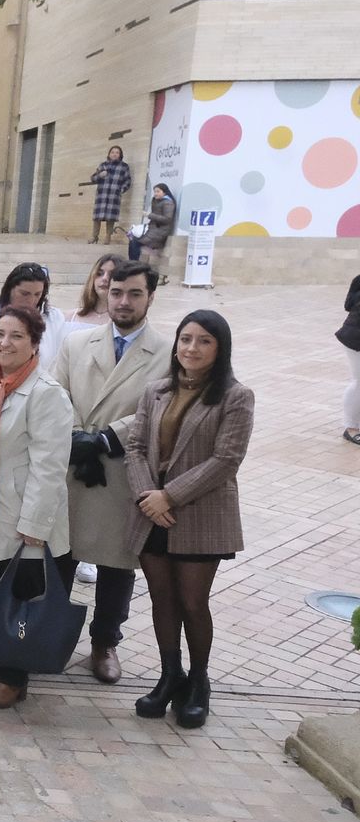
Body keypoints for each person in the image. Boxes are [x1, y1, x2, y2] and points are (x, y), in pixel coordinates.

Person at [124, 310, 254, 729]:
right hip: (152, 515)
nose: (191, 349)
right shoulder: (156, 391)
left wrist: (169, 495)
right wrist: (149, 497)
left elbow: (226, 459)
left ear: (220, 349)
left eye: (203, 341)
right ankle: (169, 676)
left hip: (199, 515)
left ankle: (199, 683)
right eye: (185, 339)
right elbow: (136, 448)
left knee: (193, 602)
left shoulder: (235, 396)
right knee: (162, 600)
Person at [52, 261, 172, 682]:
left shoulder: (168, 352)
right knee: (58, 556)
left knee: (117, 566)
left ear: (150, 297)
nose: (123, 301)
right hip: (71, 464)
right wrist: (74, 438)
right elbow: (55, 393)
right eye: (117, 292)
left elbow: (159, 411)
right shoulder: (77, 342)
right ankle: (45, 638)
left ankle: (105, 643)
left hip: (122, 470)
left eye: (134, 294)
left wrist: (104, 440)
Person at [0, 306, 75, 710]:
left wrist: (34, 528)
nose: (5, 343)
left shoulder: (46, 394)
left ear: (35, 343)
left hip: (23, 523)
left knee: (20, 600)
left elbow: (49, 468)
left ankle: (14, 676)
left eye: (16, 336)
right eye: (0, 334)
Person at [0, 261, 68, 368]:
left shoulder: (54, 317)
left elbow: (60, 355)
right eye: (24, 294)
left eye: (37, 294)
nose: (31, 300)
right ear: (10, 290)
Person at [67, 254, 122, 331]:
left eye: (112, 274)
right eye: (99, 273)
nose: (104, 278)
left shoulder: (124, 322)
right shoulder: (70, 317)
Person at [91, 145, 132, 245]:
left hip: (114, 196)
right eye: (112, 152)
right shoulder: (103, 165)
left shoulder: (124, 167)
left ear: (120, 155)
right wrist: (100, 175)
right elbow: (93, 179)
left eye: (117, 152)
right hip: (102, 195)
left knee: (111, 218)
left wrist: (120, 190)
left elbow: (128, 181)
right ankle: (94, 236)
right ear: (109, 154)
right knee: (97, 217)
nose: (114, 154)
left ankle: (108, 236)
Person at [134, 183, 177, 278]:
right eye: (154, 191)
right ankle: (138, 270)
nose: (155, 194)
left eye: (158, 191)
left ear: (164, 192)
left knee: (138, 245)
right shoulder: (157, 201)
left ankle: (138, 271)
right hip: (153, 229)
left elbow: (167, 219)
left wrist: (149, 215)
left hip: (160, 231)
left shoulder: (168, 203)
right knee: (135, 242)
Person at [342, 273, 360, 447]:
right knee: (359, 382)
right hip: (355, 339)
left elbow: (347, 305)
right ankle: (351, 427)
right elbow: (349, 305)